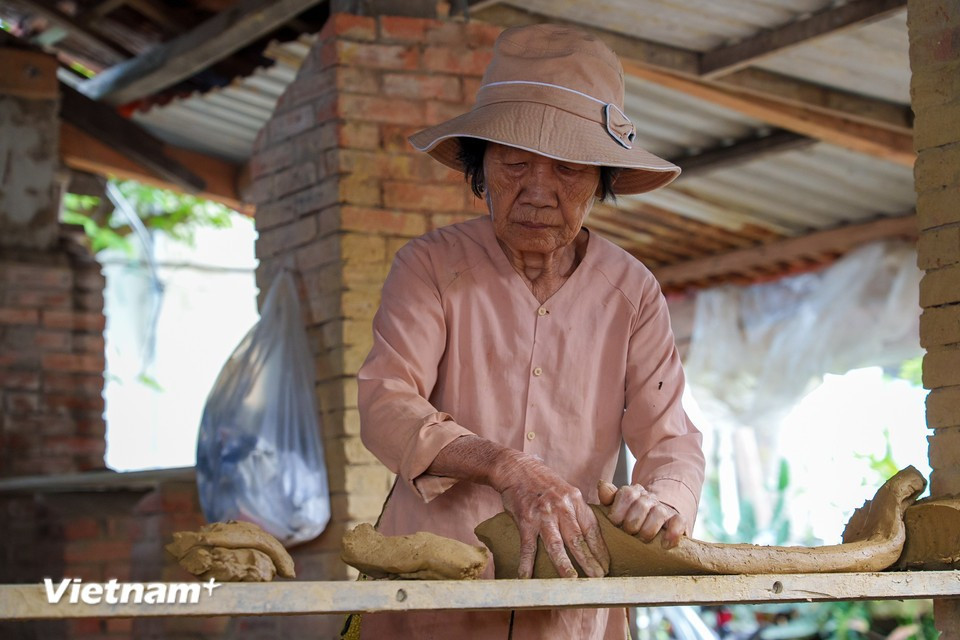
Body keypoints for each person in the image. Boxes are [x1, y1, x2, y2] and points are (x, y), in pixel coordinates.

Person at [357, 23, 705, 639]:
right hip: (436, 592)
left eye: (569, 169)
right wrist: (506, 466)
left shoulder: (633, 292)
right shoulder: (430, 266)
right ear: (480, 169)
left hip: (569, 600)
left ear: (602, 179)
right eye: (515, 163)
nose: (538, 191)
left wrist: (662, 503)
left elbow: (670, 439)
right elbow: (387, 403)